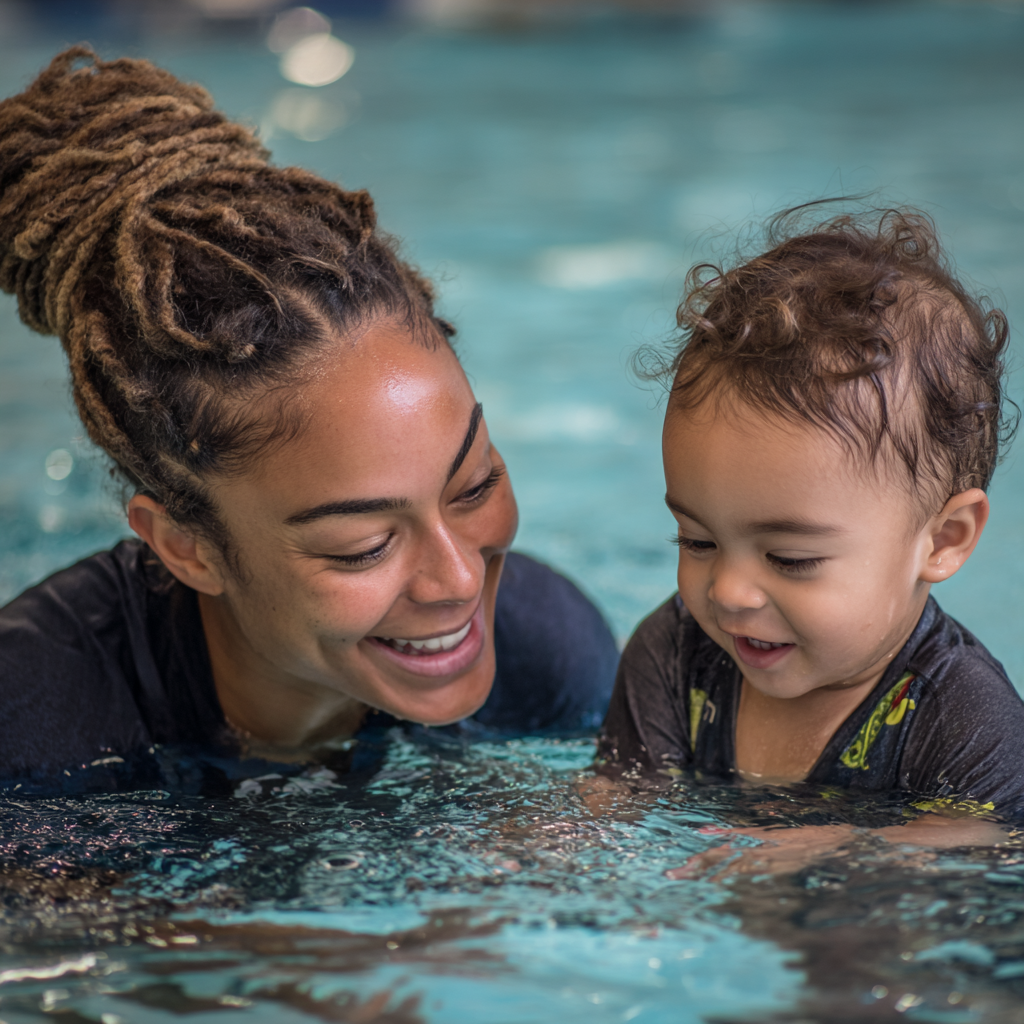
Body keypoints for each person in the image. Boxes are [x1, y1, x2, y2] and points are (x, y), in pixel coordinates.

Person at [0, 48, 618, 788]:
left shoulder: (543, 659)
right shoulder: (37, 733)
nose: (457, 579)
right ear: (187, 548)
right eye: (363, 547)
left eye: (475, 487)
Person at [594, 204, 1024, 870]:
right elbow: (612, 809)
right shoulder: (675, 657)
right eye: (697, 540)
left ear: (943, 540)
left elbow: (992, 841)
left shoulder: (963, 717)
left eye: (790, 558)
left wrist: (853, 850)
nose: (729, 592)